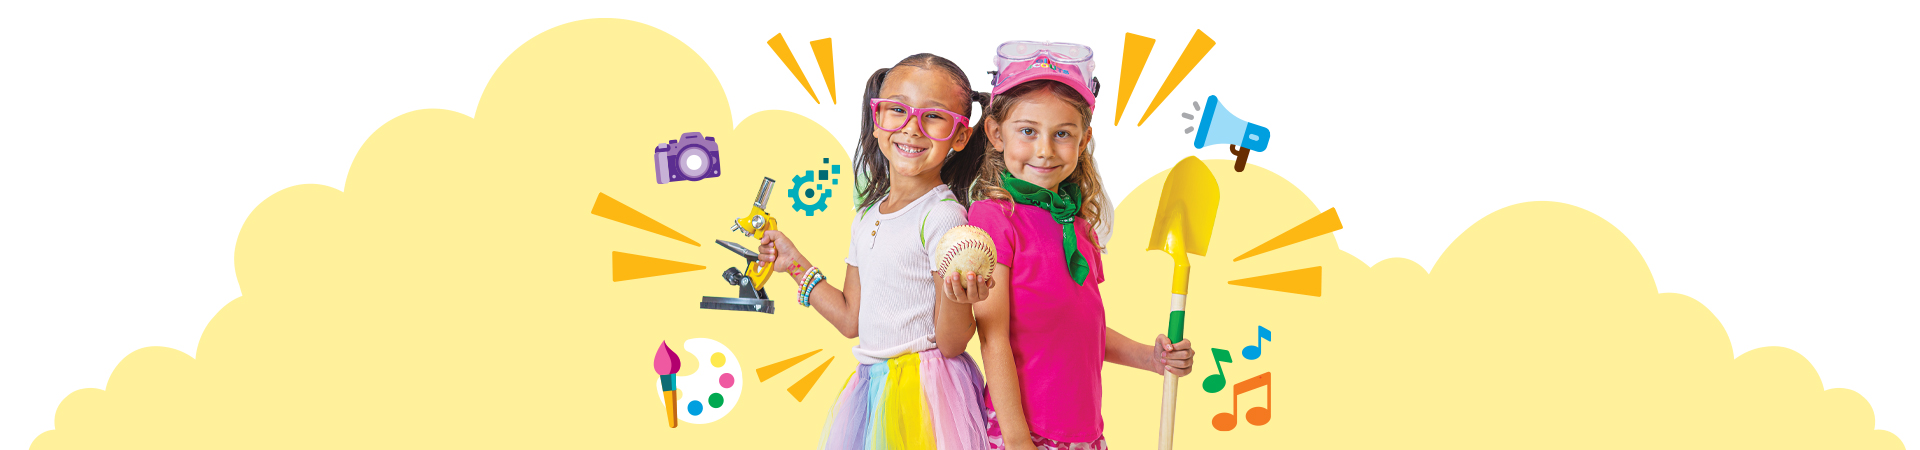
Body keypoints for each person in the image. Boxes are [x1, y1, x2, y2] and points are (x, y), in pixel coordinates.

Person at [959, 41, 1196, 450]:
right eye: (1028, 131)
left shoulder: (1078, 226)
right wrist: (1015, 440)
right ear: (996, 134)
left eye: (1062, 134)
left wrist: (1150, 358)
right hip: (1022, 432)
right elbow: (991, 337)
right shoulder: (994, 218)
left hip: (1084, 433)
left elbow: (1083, 329)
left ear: (1084, 139)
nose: (1045, 150)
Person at [756, 53, 995, 450]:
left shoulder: (944, 217)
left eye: (933, 117)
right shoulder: (866, 215)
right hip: (872, 386)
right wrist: (793, 263)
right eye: (896, 110)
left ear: (960, 135)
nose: (911, 129)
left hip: (927, 390)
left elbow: (951, 343)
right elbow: (852, 319)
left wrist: (959, 296)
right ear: (877, 118)